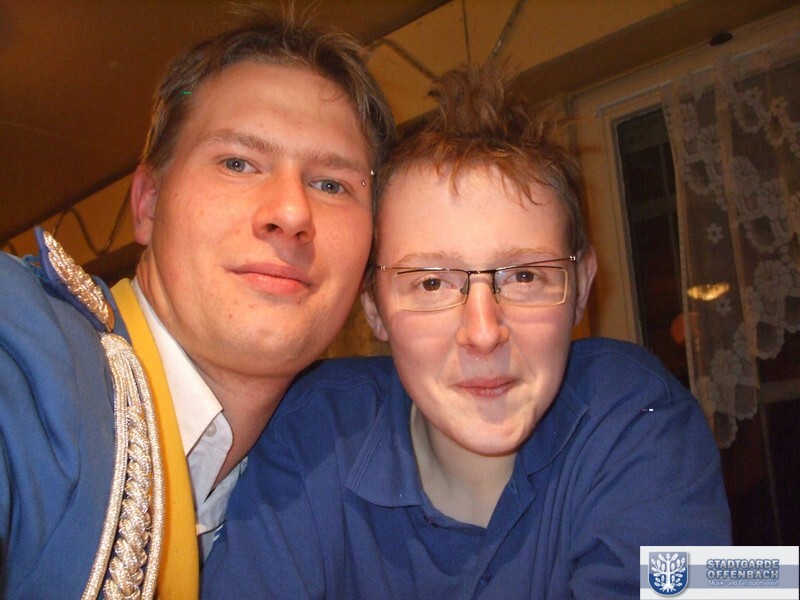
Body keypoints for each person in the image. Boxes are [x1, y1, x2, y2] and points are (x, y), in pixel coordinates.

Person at [202, 64, 732, 599]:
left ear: (581, 286)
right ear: (374, 307)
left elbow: (734, 582)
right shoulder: (312, 430)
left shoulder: (642, 414)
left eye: (524, 277)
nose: (483, 333)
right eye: (431, 283)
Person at [0, 9, 395, 600]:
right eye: (238, 163)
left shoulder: (339, 464)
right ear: (148, 203)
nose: (291, 213)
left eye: (330, 184)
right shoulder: (26, 357)